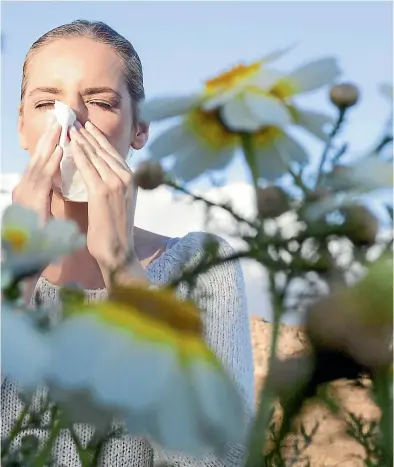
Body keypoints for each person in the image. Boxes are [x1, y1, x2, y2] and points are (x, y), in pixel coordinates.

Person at [1, 20, 255, 467]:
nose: (69, 119)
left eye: (99, 101)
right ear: (22, 127)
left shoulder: (203, 266)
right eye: (46, 102)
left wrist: (122, 268)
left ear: (139, 129)